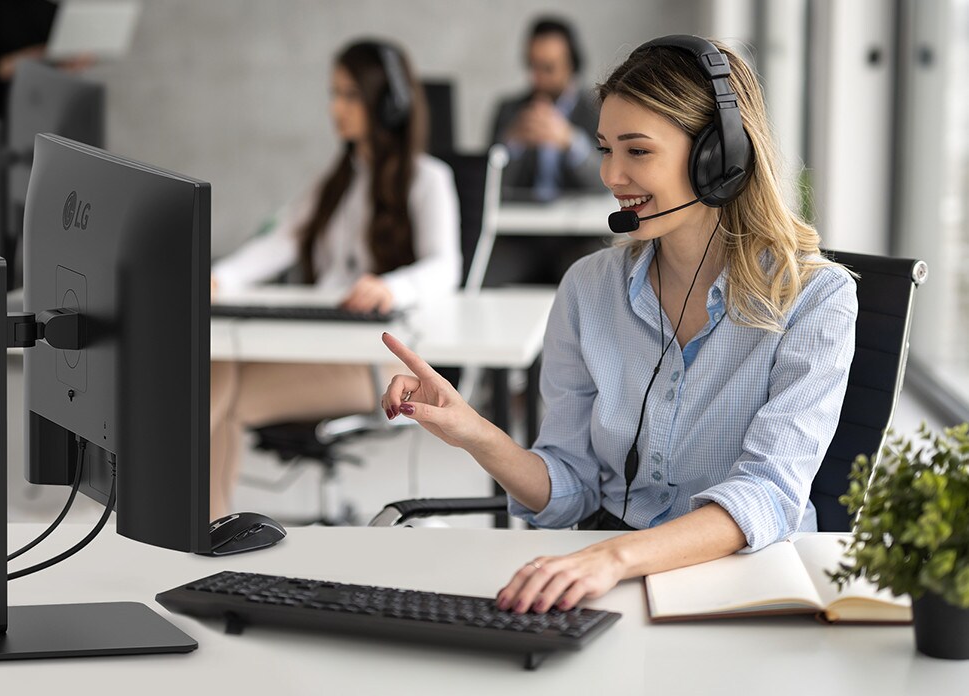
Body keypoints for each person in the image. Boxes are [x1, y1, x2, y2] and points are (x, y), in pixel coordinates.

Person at [381, 35, 857, 614]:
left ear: (719, 158)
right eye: (605, 148)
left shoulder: (814, 297)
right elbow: (569, 486)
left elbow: (768, 493)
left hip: (741, 585)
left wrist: (614, 557)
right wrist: (474, 431)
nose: (611, 174)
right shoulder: (588, 288)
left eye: (637, 151)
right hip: (611, 576)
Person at [209, 39, 461, 520]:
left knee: (215, 393)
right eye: (334, 93)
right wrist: (219, 278)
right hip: (317, 347)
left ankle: (201, 528)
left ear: (386, 104)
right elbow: (281, 241)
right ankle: (205, 527)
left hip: (373, 364)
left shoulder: (429, 179)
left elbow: (446, 267)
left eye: (350, 95)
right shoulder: (337, 181)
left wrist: (393, 287)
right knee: (215, 369)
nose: (336, 108)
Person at [489, 16, 602, 201]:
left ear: (572, 66)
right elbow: (491, 185)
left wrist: (571, 141)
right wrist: (512, 143)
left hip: (581, 226)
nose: (537, 78)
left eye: (548, 68)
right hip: (519, 223)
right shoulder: (509, 110)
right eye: (532, 66)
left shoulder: (597, 108)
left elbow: (607, 183)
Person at [0, 0, 93, 122]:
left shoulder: (52, 10)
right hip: (4, 114)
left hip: (55, 111)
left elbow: (67, 66)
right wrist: (36, 57)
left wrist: (73, 61)